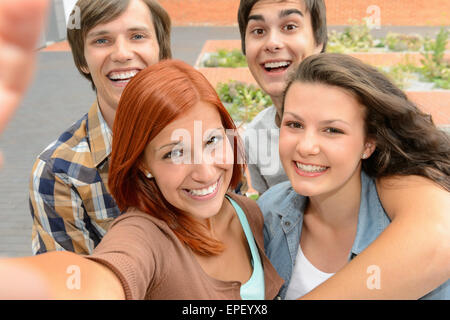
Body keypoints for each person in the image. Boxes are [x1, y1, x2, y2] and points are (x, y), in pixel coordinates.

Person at [0, 59, 284, 300]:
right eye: (175, 153)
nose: (206, 172)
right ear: (144, 164)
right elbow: (103, 275)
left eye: (212, 140)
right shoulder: (144, 234)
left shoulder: (249, 213)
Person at [258, 53, 450, 299]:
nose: (306, 146)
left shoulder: (407, 220)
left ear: (368, 144)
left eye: (332, 130)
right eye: (295, 125)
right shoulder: (268, 212)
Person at [29, 0, 172, 255]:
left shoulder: (207, 137)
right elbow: (73, 287)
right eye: (101, 40)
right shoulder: (59, 172)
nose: (121, 54)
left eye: (137, 36)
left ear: (161, 50)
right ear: (83, 60)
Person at [238, 0, 327, 194]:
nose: (272, 44)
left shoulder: (362, 117)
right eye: (259, 31)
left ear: (318, 40)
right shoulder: (256, 135)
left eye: (289, 27)